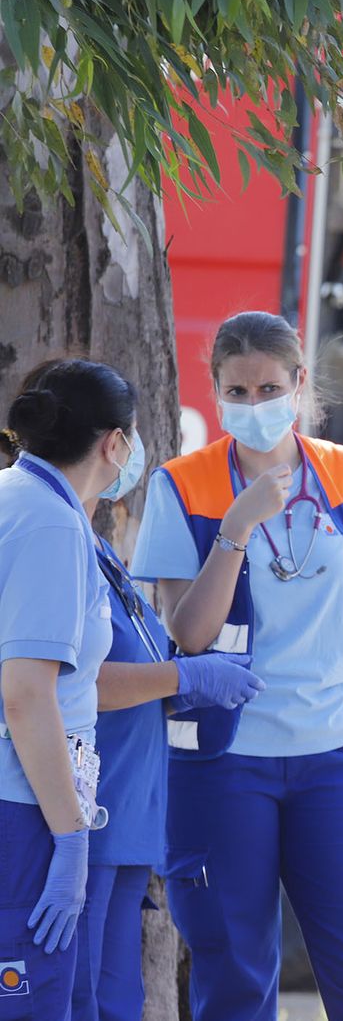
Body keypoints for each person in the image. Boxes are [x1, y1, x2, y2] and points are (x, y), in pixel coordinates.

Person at [131, 311, 343, 1021]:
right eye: (237, 391)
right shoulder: (183, 486)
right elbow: (189, 636)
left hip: (336, 758)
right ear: (216, 392)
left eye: (268, 389)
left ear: (298, 384)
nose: (253, 405)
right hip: (224, 765)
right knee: (234, 980)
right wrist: (235, 529)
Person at [75, 438, 265, 1021]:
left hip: (125, 825)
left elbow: (129, 674)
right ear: (111, 443)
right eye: (126, 435)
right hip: (84, 824)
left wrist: (184, 688)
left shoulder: (98, 548)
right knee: (76, 1001)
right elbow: (73, 684)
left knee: (114, 1004)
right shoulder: (53, 541)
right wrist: (185, 676)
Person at [0, 360, 131, 1021]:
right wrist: (71, 838)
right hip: (22, 808)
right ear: (115, 444)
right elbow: (26, 694)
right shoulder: (51, 522)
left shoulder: (15, 495)